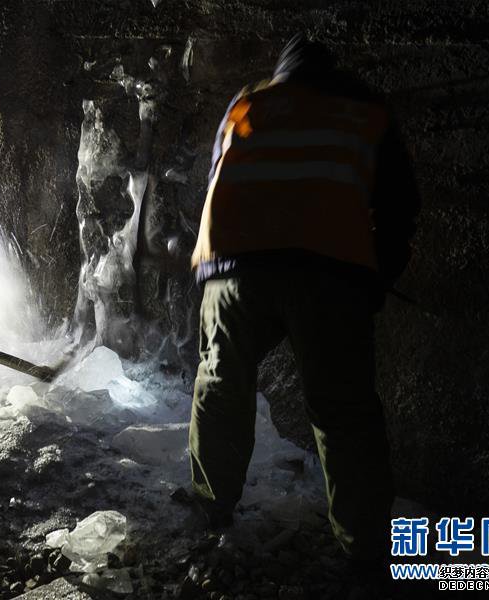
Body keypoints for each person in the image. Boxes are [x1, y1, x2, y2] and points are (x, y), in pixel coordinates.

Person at [187, 34, 420, 564]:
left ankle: (211, 507)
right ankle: (365, 549)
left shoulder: (245, 103)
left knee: (222, 383)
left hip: (232, 269)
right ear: (331, 72)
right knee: (343, 409)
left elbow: (219, 182)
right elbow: (400, 208)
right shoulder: (364, 109)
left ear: (282, 72)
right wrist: (374, 281)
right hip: (328, 273)